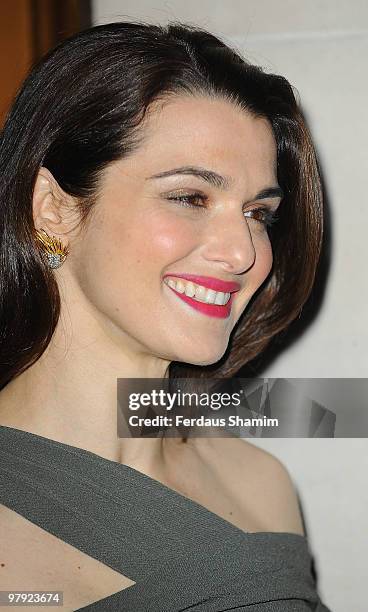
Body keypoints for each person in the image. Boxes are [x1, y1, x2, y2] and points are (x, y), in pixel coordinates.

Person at [0, 21, 331, 611]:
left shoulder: (260, 484)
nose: (244, 253)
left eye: (258, 212)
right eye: (189, 197)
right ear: (53, 209)